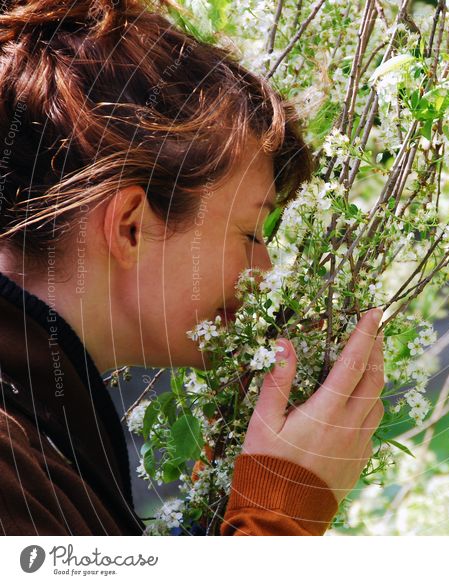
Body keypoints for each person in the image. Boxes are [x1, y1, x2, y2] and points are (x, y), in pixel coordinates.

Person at [0, 0, 385, 536]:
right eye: (251, 233)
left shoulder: (45, 427)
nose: (265, 270)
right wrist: (279, 514)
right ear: (132, 226)